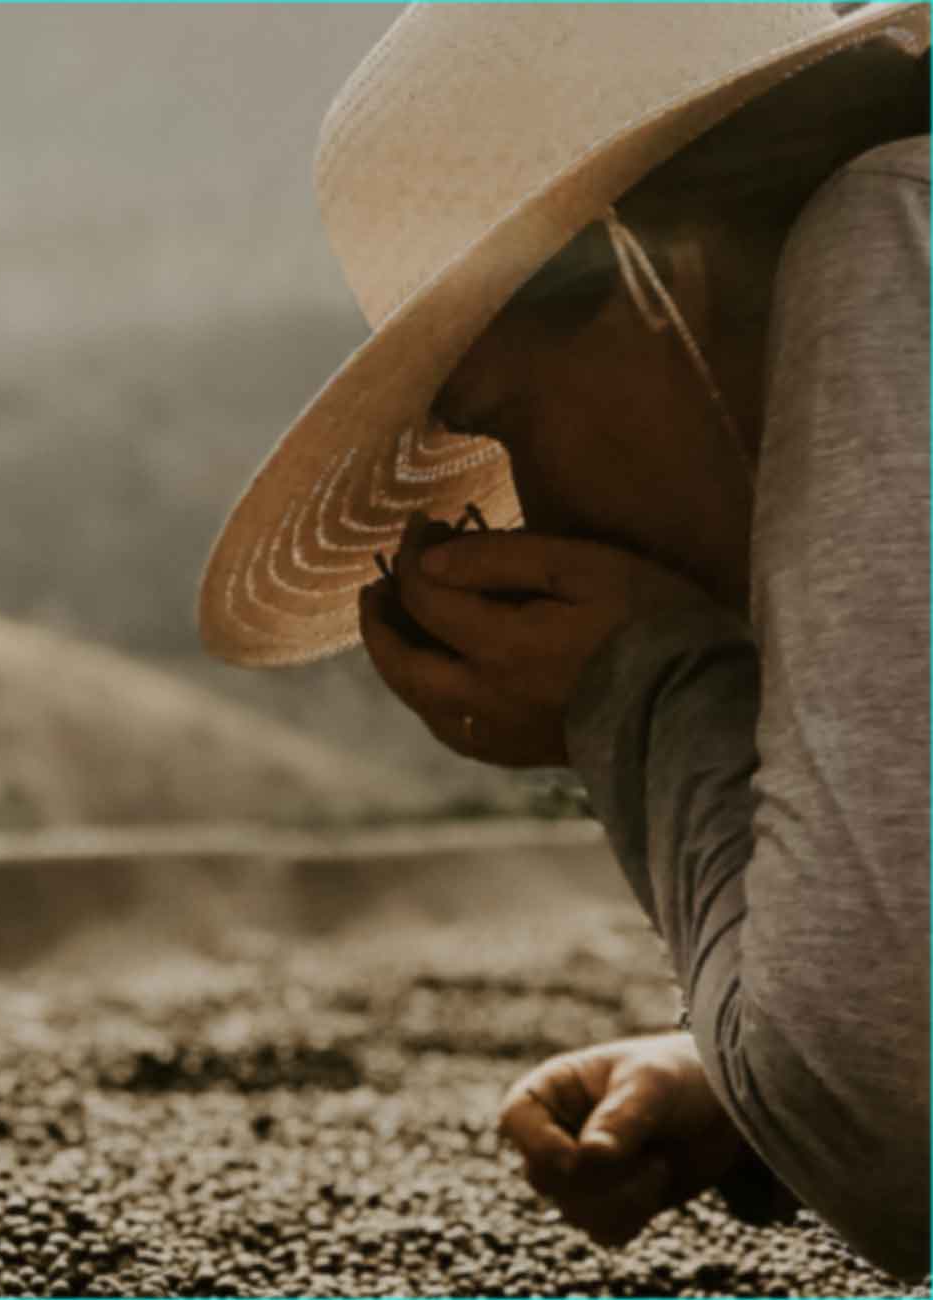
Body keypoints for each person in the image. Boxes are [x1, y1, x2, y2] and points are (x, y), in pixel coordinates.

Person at [199, 5, 930, 1281]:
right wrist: (732, 1086)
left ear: (643, 282)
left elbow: (888, 1112)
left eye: (508, 424)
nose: (536, 504)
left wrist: (638, 691)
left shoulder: (881, 243)